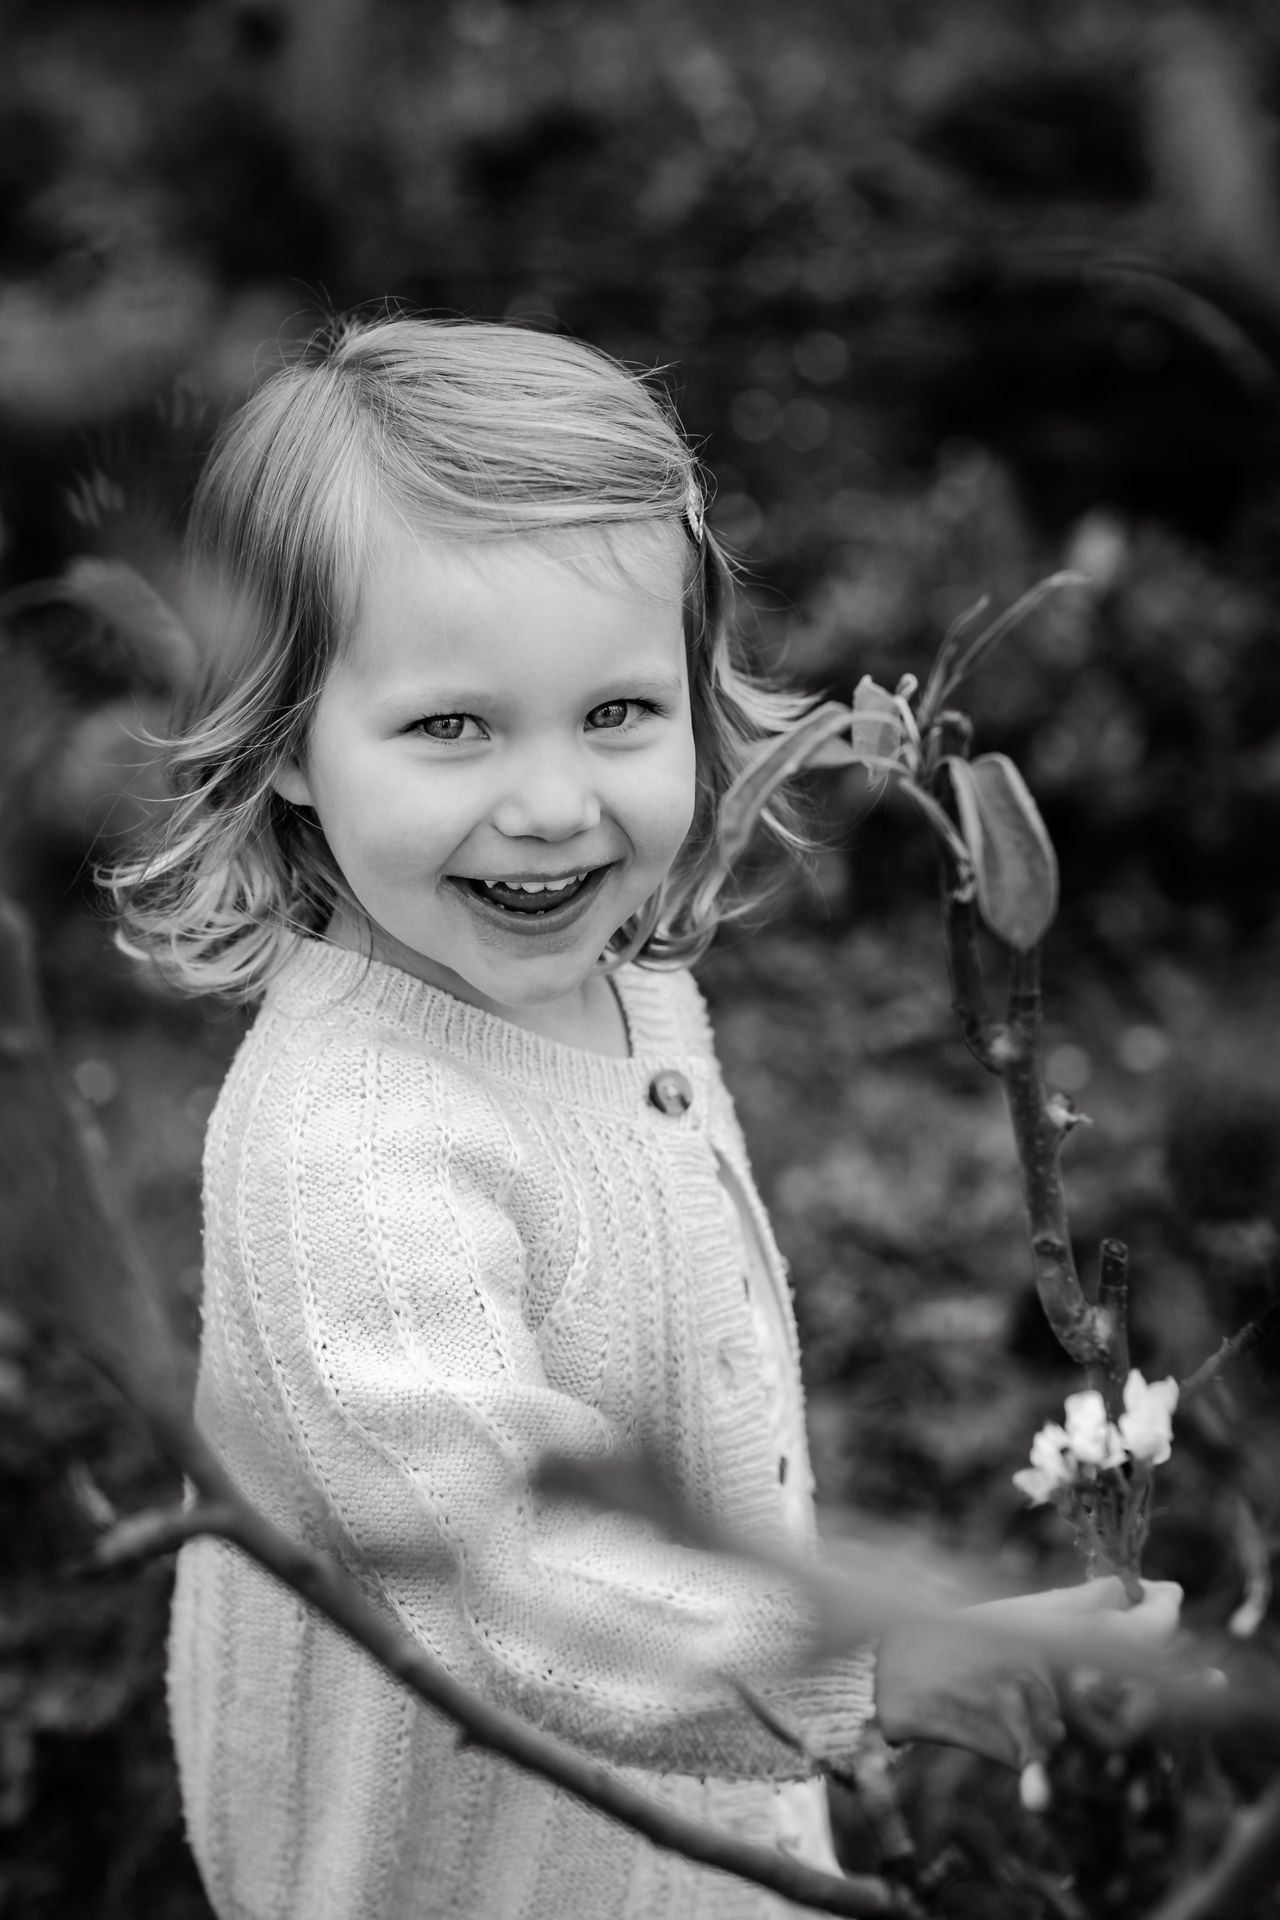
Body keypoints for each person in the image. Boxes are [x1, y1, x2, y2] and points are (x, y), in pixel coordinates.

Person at [109, 314, 1176, 1920]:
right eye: (449, 726)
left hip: (678, 1815)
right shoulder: (355, 1148)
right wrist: (885, 1663)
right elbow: (513, 1578)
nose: (552, 801)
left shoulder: (623, 982)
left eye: (616, 713)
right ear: (288, 751)